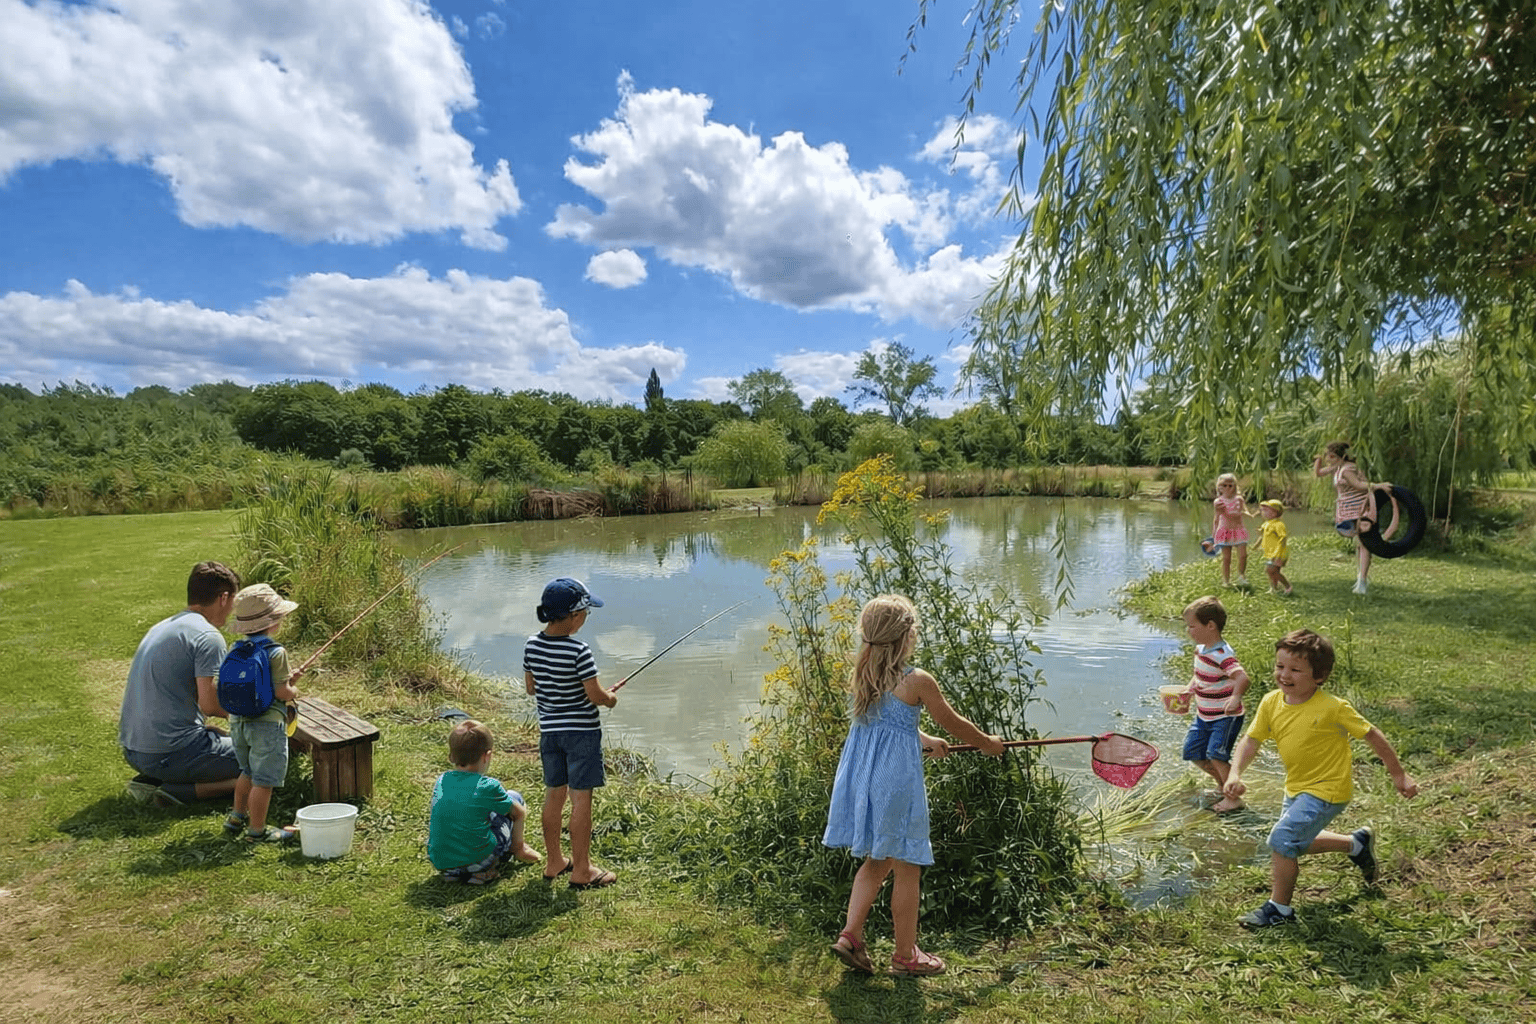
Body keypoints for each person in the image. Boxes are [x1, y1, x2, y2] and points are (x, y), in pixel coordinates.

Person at [823, 595, 1005, 977]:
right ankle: (906, 956)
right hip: (895, 785)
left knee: (877, 861)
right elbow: (954, 723)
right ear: (906, 636)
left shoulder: (864, 674)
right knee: (907, 866)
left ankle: (850, 935)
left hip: (862, 780)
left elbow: (888, 725)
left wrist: (923, 741)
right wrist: (986, 743)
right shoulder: (917, 680)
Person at [1224, 629, 1418, 928]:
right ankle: (1356, 844)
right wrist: (1235, 772)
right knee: (1295, 843)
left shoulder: (1333, 707)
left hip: (1328, 790)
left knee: (1282, 839)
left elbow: (1372, 736)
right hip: (1296, 787)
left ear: (1320, 676)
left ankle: (1279, 910)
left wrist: (1399, 775)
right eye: (1280, 666)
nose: (1284, 675)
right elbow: (1251, 740)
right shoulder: (1271, 702)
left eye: (1295, 670)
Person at [119, 561, 243, 807]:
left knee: (223, 738)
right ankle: (177, 791)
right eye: (233, 601)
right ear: (223, 598)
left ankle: (151, 780)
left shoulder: (163, 626)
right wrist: (251, 716)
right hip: (168, 753)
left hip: (134, 750)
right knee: (268, 757)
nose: (232, 609)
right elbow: (210, 704)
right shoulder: (208, 637)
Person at [524, 577, 618, 890]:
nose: (586, 619)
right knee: (581, 799)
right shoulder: (580, 651)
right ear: (575, 616)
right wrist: (610, 698)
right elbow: (595, 695)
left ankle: (554, 861)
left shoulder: (531, 645)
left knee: (554, 794)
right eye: (586, 613)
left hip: (550, 733)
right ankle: (582, 870)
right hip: (581, 735)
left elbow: (531, 688)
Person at [221, 583, 302, 844]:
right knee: (264, 781)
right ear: (274, 622)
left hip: (238, 722)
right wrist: (294, 689)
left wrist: (286, 681)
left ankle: (236, 817)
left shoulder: (235, 649)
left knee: (246, 771)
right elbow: (282, 692)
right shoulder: (276, 652)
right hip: (266, 725)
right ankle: (257, 831)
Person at [427, 719, 541, 884]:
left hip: (442, 862)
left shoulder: (442, 780)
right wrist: (518, 847)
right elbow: (518, 813)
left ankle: (454, 873)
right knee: (514, 797)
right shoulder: (489, 787)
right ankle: (487, 869)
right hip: (477, 862)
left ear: (451, 756)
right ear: (487, 756)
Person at [1179, 596, 1251, 813]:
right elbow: (1199, 675)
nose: (1188, 631)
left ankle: (1233, 798)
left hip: (1225, 716)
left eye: (1192, 626)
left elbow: (1242, 678)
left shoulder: (1222, 655)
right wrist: (1189, 690)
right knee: (1193, 752)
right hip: (1204, 715)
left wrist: (1235, 698)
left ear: (1210, 626)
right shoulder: (1201, 650)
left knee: (1217, 755)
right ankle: (1224, 785)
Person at [1314, 441, 1380, 595]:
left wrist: (1377, 485)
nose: (1328, 459)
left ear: (1341, 457)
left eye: (1331, 456)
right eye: (1327, 456)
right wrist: (1318, 460)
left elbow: (1358, 485)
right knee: (1359, 543)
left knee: (1363, 543)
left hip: (1359, 509)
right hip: (1348, 510)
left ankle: (1362, 581)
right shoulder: (1338, 467)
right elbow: (1319, 473)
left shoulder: (1347, 469)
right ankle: (1360, 578)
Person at [1211, 473, 1250, 587]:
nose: (1227, 488)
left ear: (1235, 486)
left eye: (1230, 485)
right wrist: (1214, 535)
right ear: (1219, 487)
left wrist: (1249, 514)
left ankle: (1241, 576)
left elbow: (1243, 511)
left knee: (1243, 555)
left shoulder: (1239, 499)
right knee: (1226, 558)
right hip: (1225, 530)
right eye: (1224, 485)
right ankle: (1226, 580)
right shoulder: (1218, 501)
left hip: (1238, 530)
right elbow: (1216, 518)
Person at [1251, 499, 1292, 595]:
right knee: (1272, 571)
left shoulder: (1279, 525)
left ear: (1274, 513)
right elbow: (1262, 536)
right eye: (1262, 510)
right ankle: (1274, 588)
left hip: (1279, 553)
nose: (1263, 512)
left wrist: (1277, 554)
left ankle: (1288, 586)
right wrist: (1255, 546)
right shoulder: (1266, 524)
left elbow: (1283, 539)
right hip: (1270, 553)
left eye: (1266, 510)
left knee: (1271, 570)